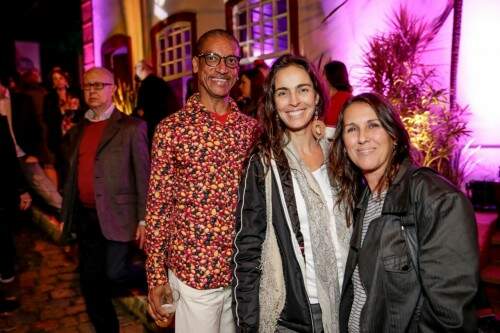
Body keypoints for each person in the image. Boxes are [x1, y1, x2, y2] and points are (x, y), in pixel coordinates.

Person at [330, 92, 478, 332]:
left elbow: (450, 319)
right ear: (344, 145)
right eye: (351, 129)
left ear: (394, 136)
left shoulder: (437, 200)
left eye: (373, 125)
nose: (362, 138)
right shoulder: (364, 198)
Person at [145, 29, 260, 332]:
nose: (222, 68)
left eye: (231, 60)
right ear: (196, 64)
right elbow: (158, 208)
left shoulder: (252, 131)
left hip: (244, 276)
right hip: (195, 278)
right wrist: (156, 277)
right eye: (212, 58)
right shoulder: (172, 130)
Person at [232, 54, 351, 333]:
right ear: (273, 102)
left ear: (317, 96)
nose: (294, 101)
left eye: (303, 89)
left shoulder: (340, 152)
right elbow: (246, 248)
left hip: (351, 304)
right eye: (283, 93)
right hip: (294, 315)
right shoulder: (263, 163)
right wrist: (248, 324)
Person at [60, 67, 150, 333]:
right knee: (90, 282)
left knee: (115, 273)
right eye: (88, 86)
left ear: (113, 89)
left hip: (119, 215)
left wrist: (144, 219)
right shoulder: (78, 130)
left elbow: (144, 175)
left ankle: (157, 275)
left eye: (100, 85)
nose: (93, 90)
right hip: (86, 218)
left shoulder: (132, 127)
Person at [0, 77, 62, 212]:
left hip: (23, 152)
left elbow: (35, 127)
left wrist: (35, 153)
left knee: (45, 188)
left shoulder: (21, 100)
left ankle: (65, 216)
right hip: (5, 156)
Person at [43, 67, 85, 189]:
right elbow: (47, 118)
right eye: (55, 79)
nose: (58, 81)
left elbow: (84, 112)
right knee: (65, 163)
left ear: (66, 79)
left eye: (60, 78)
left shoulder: (75, 93)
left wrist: (74, 116)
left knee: (79, 161)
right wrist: (61, 111)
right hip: (60, 136)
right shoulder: (49, 98)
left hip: (76, 133)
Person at [134, 60, 180, 143]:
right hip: (168, 126)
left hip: (152, 128)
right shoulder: (162, 83)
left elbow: (141, 110)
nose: (136, 72)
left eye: (136, 69)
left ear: (142, 69)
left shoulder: (145, 85)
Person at [323, 61, 352, 129]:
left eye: (323, 74)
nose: (322, 78)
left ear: (329, 78)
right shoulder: (350, 97)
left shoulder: (337, 100)